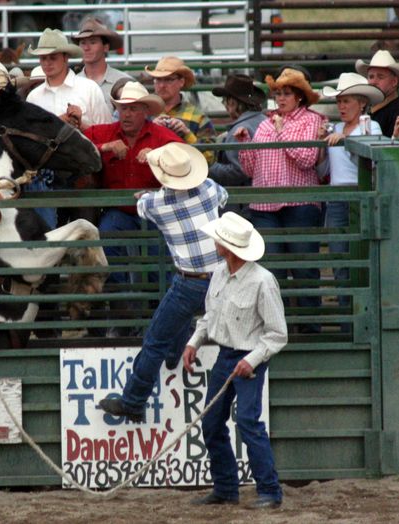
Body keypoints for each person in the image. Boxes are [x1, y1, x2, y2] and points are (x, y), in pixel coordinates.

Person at [98, 142, 227, 420]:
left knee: (155, 339)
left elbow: (142, 205)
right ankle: (175, 353)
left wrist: (149, 193)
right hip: (221, 279)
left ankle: (133, 401)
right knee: (177, 321)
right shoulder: (208, 189)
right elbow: (223, 196)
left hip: (189, 282)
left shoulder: (157, 203)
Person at [183, 211, 287, 509]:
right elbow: (209, 317)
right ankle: (226, 487)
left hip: (249, 358)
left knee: (247, 422)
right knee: (213, 422)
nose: (214, 241)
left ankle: (269, 490)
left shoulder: (263, 282)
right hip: (228, 354)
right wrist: (194, 342)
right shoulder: (219, 273)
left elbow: (278, 334)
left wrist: (252, 360)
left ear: (227, 246)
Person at [235, 67, 327, 333]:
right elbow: (252, 170)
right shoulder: (265, 123)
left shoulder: (312, 120)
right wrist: (245, 146)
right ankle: (277, 331)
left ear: (299, 97)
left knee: (304, 271)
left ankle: (310, 331)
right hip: (264, 206)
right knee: (272, 274)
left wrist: (282, 132)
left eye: (287, 93)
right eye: (278, 93)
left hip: (300, 204)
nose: (281, 98)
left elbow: (307, 159)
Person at [83, 81, 183, 293]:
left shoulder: (162, 137)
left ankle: (157, 309)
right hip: (120, 210)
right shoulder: (104, 134)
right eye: (123, 108)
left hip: (156, 208)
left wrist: (158, 156)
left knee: (161, 260)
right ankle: (124, 305)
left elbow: (186, 159)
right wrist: (104, 147)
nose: (126, 114)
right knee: (107, 241)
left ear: (145, 111)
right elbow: (78, 146)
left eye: (133, 109)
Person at [317, 73, 383, 331]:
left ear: (362, 103)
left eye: (347, 101)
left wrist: (349, 142)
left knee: (362, 259)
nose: (341, 107)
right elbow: (323, 170)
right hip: (337, 198)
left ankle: (361, 325)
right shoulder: (334, 130)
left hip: (359, 197)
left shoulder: (371, 128)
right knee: (340, 261)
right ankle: (348, 325)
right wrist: (322, 147)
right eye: (340, 102)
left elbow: (373, 163)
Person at [26, 28, 112, 130]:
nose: (47, 63)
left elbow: (106, 133)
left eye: (53, 57)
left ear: (66, 57)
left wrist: (80, 125)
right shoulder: (33, 97)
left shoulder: (90, 89)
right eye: (43, 58)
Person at [209, 74, 267, 215]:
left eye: (225, 101)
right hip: (263, 197)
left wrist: (209, 168)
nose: (225, 105)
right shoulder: (265, 121)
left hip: (244, 202)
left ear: (233, 103)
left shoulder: (239, 130)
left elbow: (238, 171)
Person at [145, 56, 216, 163]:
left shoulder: (198, 117)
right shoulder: (142, 112)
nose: (162, 85)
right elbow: (129, 148)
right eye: (158, 79)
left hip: (184, 175)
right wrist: (150, 128)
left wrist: (186, 133)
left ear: (181, 82)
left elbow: (210, 159)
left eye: (168, 79)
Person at [71, 17, 132, 113]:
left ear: (106, 47)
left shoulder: (126, 83)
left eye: (93, 42)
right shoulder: (71, 84)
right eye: (83, 43)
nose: (86, 48)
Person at [355, 50, 399, 137]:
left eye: (380, 77)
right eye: (371, 77)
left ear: (394, 81)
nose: (374, 82)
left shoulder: (396, 110)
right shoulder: (372, 108)